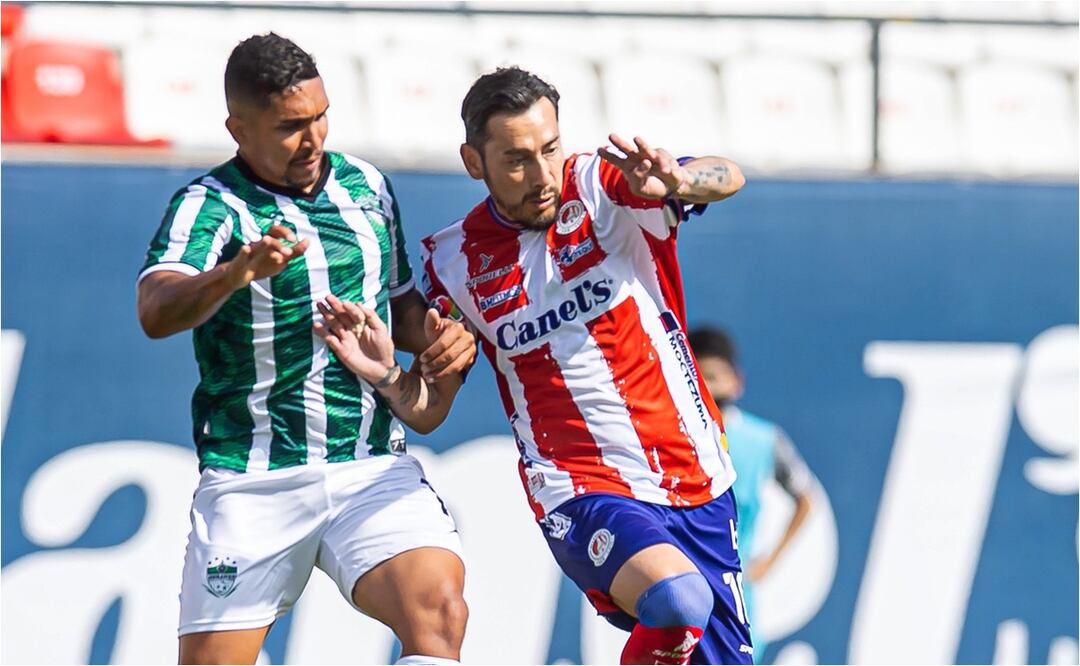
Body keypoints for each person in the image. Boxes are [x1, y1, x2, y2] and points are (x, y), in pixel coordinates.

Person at [135, 33, 475, 666]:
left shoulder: (366, 185)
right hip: (252, 479)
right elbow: (156, 310)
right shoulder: (209, 206)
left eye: (320, 116)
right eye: (291, 126)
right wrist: (235, 273)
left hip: (368, 464)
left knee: (440, 610)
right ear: (239, 128)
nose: (313, 139)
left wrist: (441, 334)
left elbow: (399, 304)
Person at [419, 66, 750, 665]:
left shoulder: (605, 185)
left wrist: (681, 180)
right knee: (677, 598)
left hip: (697, 474)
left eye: (549, 149)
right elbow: (429, 408)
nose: (542, 174)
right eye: (517, 159)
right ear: (475, 162)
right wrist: (397, 375)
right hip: (578, 484)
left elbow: (729, 175)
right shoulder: (452, 262)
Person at [688, 326, 818, 661]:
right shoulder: (669, 437)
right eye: (698, 376)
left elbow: (805, 498)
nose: (707, 387)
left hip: (735, 598)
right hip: (681, 588)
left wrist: (770, 560)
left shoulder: (763, 440)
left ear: (736, 381)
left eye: (714, 376)